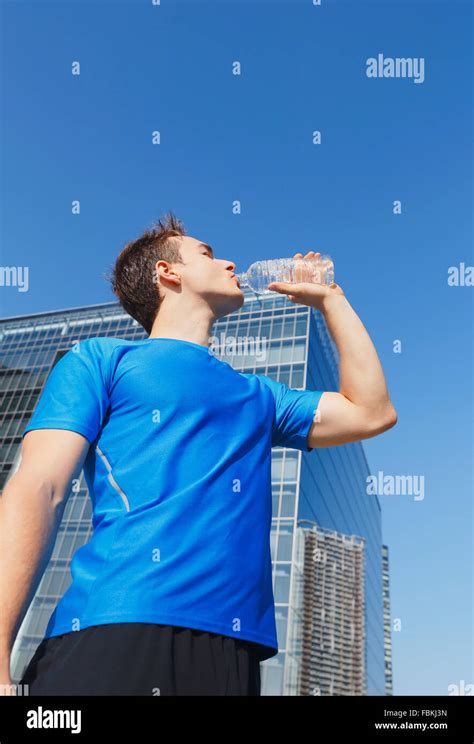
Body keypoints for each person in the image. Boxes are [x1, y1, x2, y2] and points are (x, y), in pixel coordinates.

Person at [0, 212, 397, 696]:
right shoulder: (100, 360)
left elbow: (372, 411)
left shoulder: (259, 395)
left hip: (234, 646)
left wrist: (332, 301)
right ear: (168, 273)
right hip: (117, 623)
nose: (230, 262)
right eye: (207, 254)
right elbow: (39, 488)